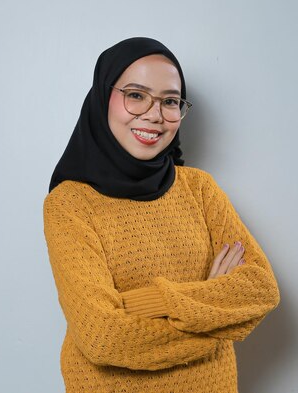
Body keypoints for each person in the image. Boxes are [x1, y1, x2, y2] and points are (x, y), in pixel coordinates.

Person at [43, 37, 280, 393]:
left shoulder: (199, 189)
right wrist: (214, 313)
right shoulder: (70, 203)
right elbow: (102, 336)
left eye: (170, 101)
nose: (154, 115)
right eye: (136, 95)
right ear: (102, 98)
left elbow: (261, 290)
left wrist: (149, 303)